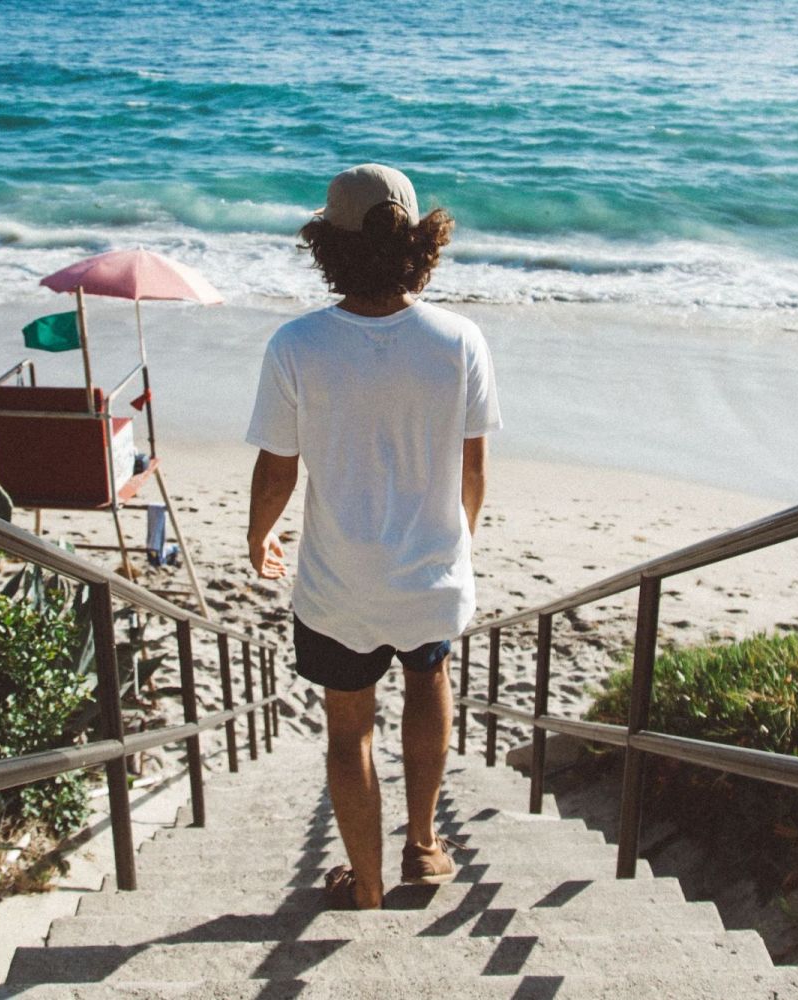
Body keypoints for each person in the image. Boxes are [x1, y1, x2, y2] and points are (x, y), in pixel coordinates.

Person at [245, 164, 499, 911]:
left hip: (337, 586)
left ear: (328, 243)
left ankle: (366, 884)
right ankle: (423, 846)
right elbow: (473, 469)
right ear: (421, 240)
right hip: (429, 576)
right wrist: (460, 542)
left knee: (348, 728)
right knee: (429, 684)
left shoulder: (297, 345)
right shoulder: (459, 340)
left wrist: (259, 538)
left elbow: (277, 470)